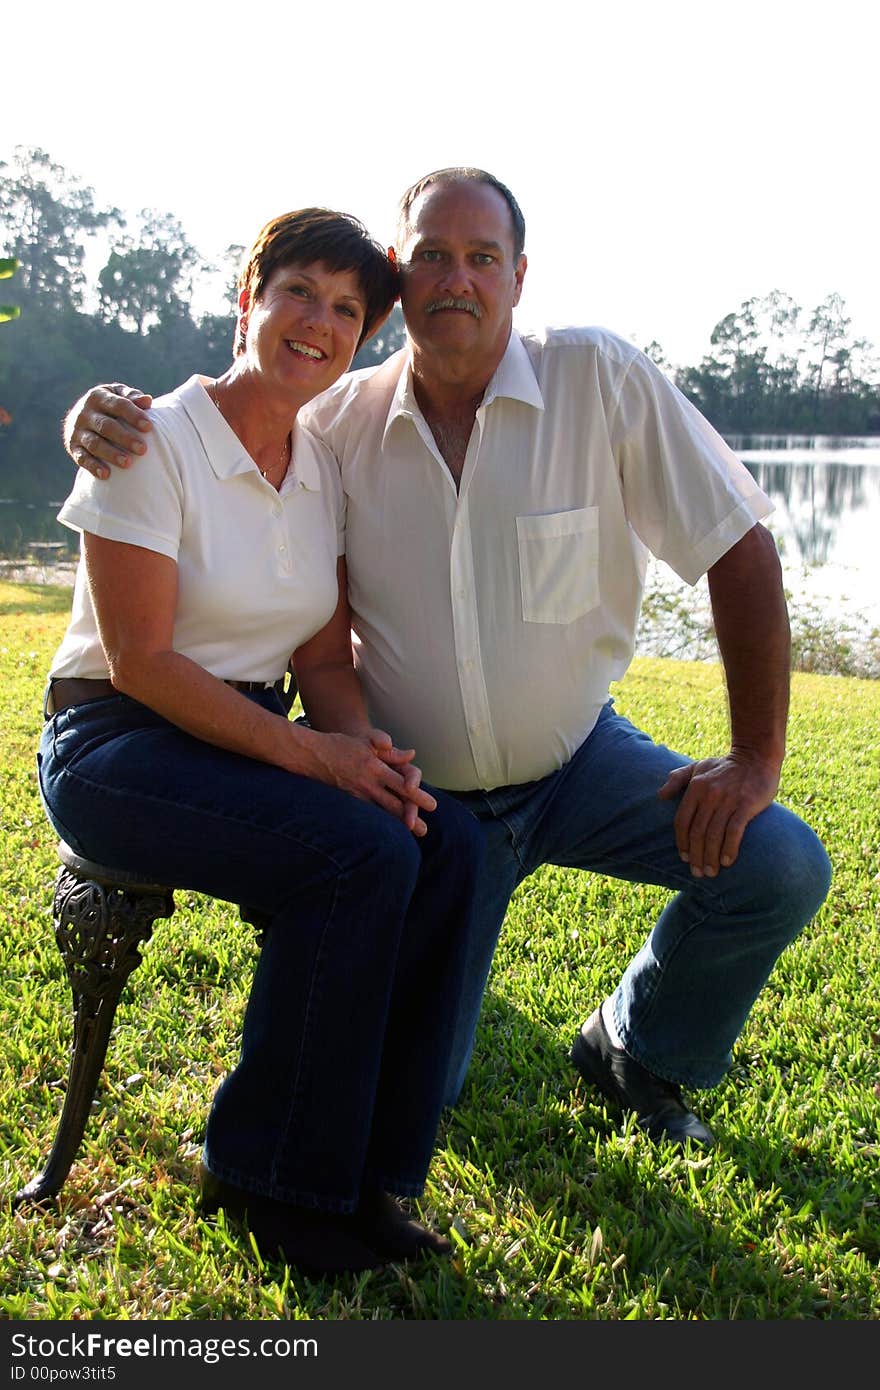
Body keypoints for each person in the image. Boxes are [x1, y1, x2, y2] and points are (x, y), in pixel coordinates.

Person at [64, 168, 832, 1151]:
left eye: (480, 257)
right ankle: (425, 980)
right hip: (426, 795)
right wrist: (95, 414)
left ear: (518, 275)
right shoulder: (334, 426)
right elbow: (220, 426)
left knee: (778, 865)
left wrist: (753, 757)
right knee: (431, 1083)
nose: (455, 277)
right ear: (403, 272)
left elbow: (738, 544)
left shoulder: (598, 378)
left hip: (579, 764)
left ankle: (639, 1047)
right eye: (431, 254)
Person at [39, 207, 485, 1276]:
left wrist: (368, 760)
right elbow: (142, 660)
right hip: (115, 743)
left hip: (238, 733)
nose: (318, 322)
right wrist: (314, 761)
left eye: (345, 310)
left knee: (443, 843)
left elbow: (326, 661)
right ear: (251, 297)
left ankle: (374, 1177)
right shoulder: (148, 438)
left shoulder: (320, 460)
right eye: (299, 292)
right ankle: (267, 1182)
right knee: (357, 852)